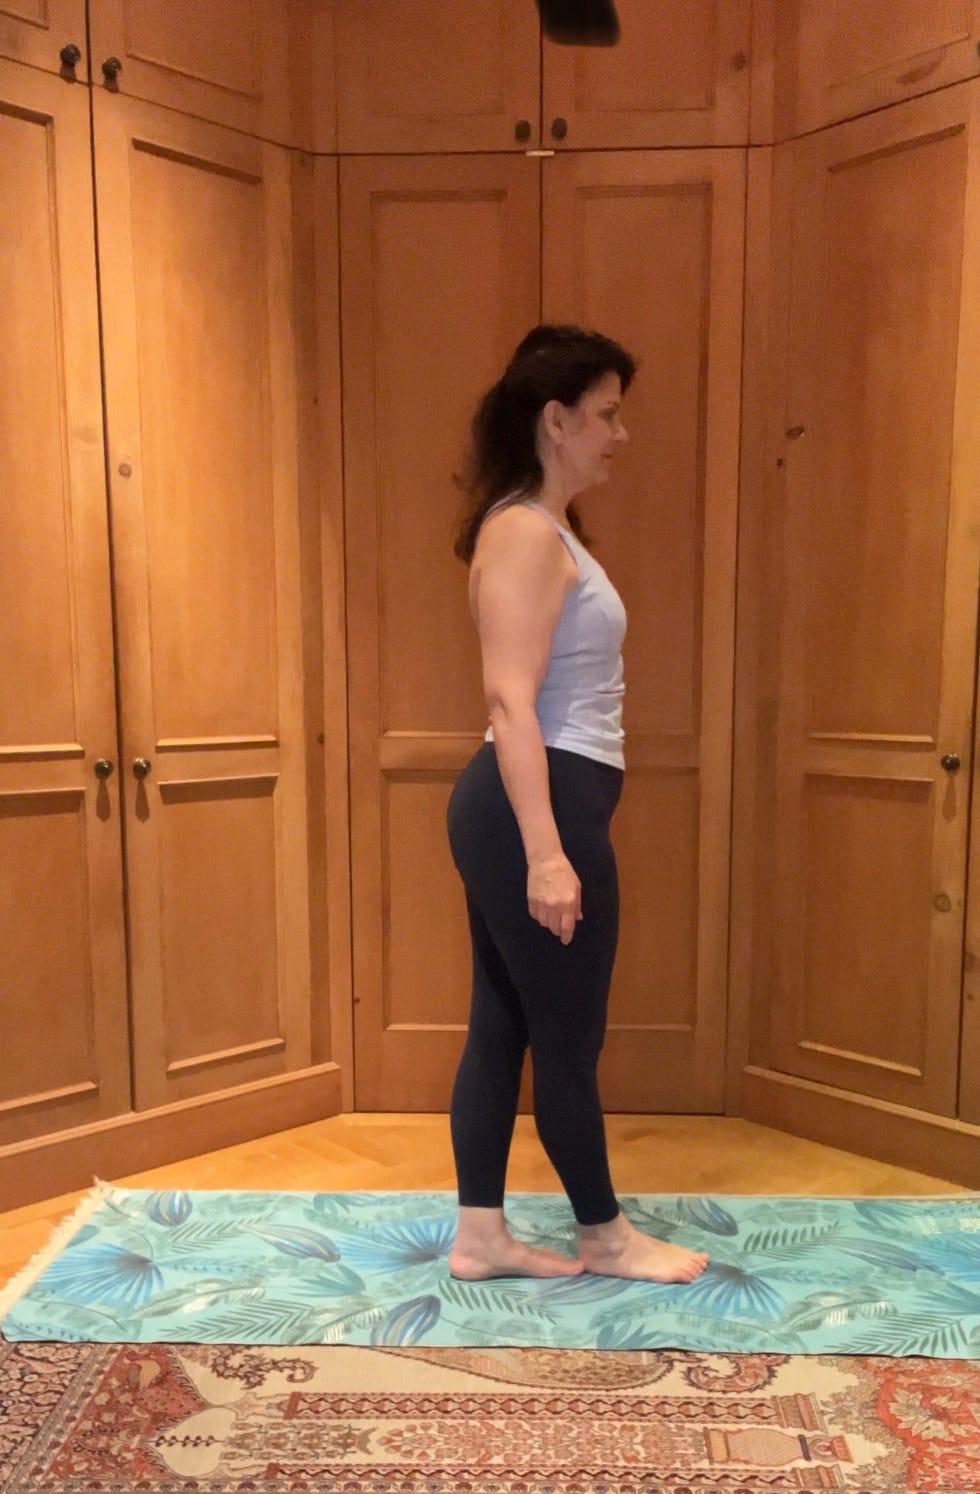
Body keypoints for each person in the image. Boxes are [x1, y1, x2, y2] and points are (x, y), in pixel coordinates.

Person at [445, 325, 711, 1285]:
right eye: (606, 414)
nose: (618, 434)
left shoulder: (539, 529)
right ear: (554, 421)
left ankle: (481, 1237)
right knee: (565, 1036)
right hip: (534, 809)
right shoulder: (522, 532)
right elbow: (510, 699)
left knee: (505, 1023)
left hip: (535, 804)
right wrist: (547, 854)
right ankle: (604, 1235)